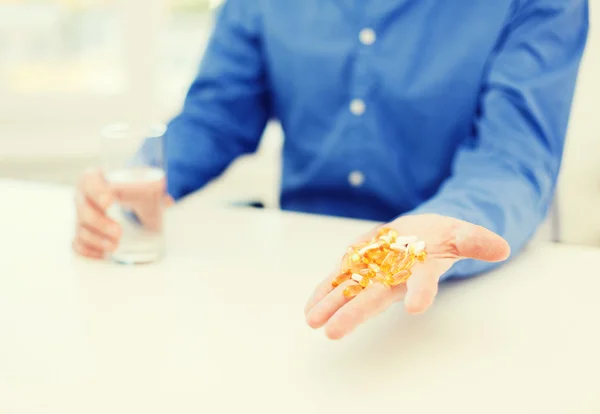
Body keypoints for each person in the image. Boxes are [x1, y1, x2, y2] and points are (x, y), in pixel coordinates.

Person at [72, 0, 589, 339]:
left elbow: (512, 157)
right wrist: (140, 178)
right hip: (292, 281)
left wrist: (445, 223)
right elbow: (218, 113)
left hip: (463, 299)